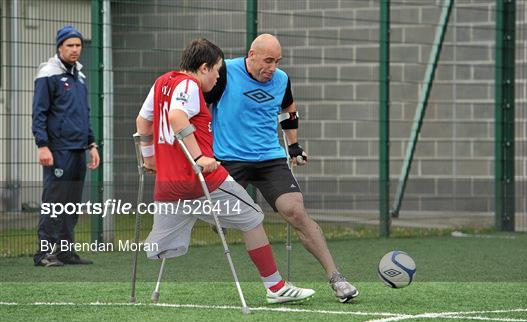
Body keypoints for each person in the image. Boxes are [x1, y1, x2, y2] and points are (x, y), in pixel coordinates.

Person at [135, 39, 315, 304]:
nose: (219, 77)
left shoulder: (162, 82)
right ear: (205, 67)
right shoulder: (191, 85)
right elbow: (176, 117)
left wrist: (149, 159)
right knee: (253, 216)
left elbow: (143, 121)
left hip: (167, 183)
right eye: (217, 71)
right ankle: (275, 287)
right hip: (201, 180)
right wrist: (199, 157)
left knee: (158, 247)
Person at [205, 34, 359, 303]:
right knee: (224, 219)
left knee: (296, 211)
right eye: (267, 61)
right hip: (229, 159)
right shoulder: (226, 72)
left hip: (269, 158)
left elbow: (289, 110)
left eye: (277, 61)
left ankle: (336, 278)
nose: (272, 67)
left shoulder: (281, 80)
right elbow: (201, 108)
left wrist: (294, 146)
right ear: (251, 55)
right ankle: (224, 219)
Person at [32, 25, 100, 267]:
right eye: (70, 45)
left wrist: (91, 144)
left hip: (78, 149)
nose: (75, 49)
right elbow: (39, 114)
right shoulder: (47, 74)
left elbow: (84, 114)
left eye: (78, 45)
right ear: (59, 47)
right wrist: (42, 145)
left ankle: (65, 251)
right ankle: (43, 254)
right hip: (57, 150)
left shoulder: (79, 77)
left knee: (71, 203)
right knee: (54, 202)